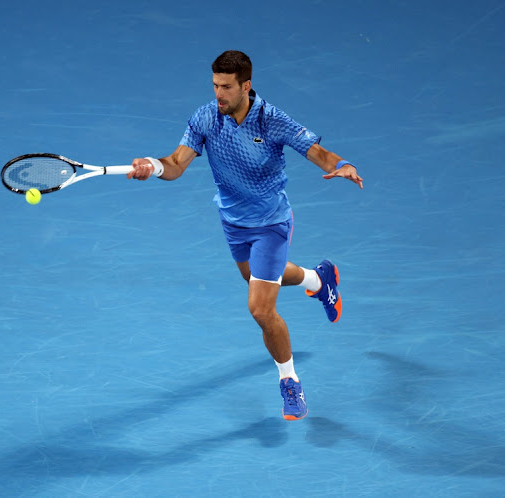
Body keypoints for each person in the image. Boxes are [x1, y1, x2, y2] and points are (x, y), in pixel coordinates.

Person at [127, 50, 363, 420]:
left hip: (270, 223)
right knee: (252, 277)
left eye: (226, 87)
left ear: (246, 87)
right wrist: (152, 167)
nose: (218, 94)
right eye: (215, 85)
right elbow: (175, 164)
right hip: (233, 221)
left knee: (260, 308)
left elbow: (315, 151)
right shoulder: (206, 117)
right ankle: (319, 278)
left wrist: (343, 165)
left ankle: (290, 382)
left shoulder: (271, 120)